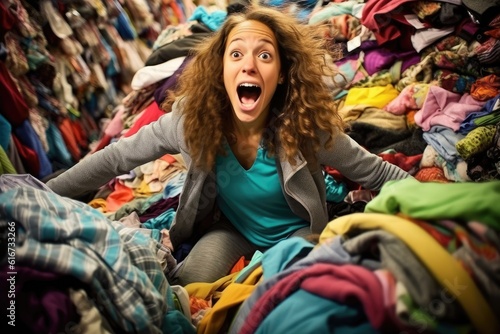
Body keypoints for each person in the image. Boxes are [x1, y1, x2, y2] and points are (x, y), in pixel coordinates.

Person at [47, 4, 412, 285]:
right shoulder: (190, 123)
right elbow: (115, 158)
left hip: (298, 233)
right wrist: (41, 192)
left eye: (264, 55)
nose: (249, 65)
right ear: (220, 68)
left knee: (284, 289)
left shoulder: (305, 126)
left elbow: (375, 170)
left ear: (282, 73)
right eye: (236, 54)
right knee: (189, 285)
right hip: (232, 231)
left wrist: (438, 200)